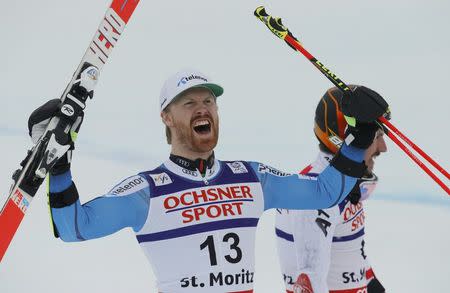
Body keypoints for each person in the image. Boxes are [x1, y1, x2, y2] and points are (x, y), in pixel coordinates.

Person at [28, 68, 389, 292]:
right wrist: (59, 168)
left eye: (208, 101)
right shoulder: (147, 192)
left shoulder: (251, 178)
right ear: (166, 118)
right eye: (188, 103)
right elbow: (75, 226)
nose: (202, 108)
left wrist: (358, 139)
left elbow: (325, 193)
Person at [275, 86, 387, 293]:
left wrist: (371, 282)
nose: (383, 147)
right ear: (348, 137)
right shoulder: (315, 194)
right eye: (376, 135)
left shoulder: (341, 184)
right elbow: (308, 283)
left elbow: (349, 250)